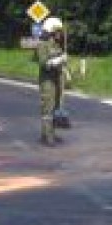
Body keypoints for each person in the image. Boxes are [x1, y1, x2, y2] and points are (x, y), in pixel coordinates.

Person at [35, 16, 68, 147]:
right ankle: (46, 136)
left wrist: (64, 66)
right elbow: (44, 63)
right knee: (48, 107)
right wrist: (58, 60)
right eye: (58, 31)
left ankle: (51, 133)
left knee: (55, 106)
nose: (60, 33)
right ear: (52, 30)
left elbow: (59, 58)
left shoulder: (56, 43)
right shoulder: (43, 44)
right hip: (47, 80)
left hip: (57, 77)